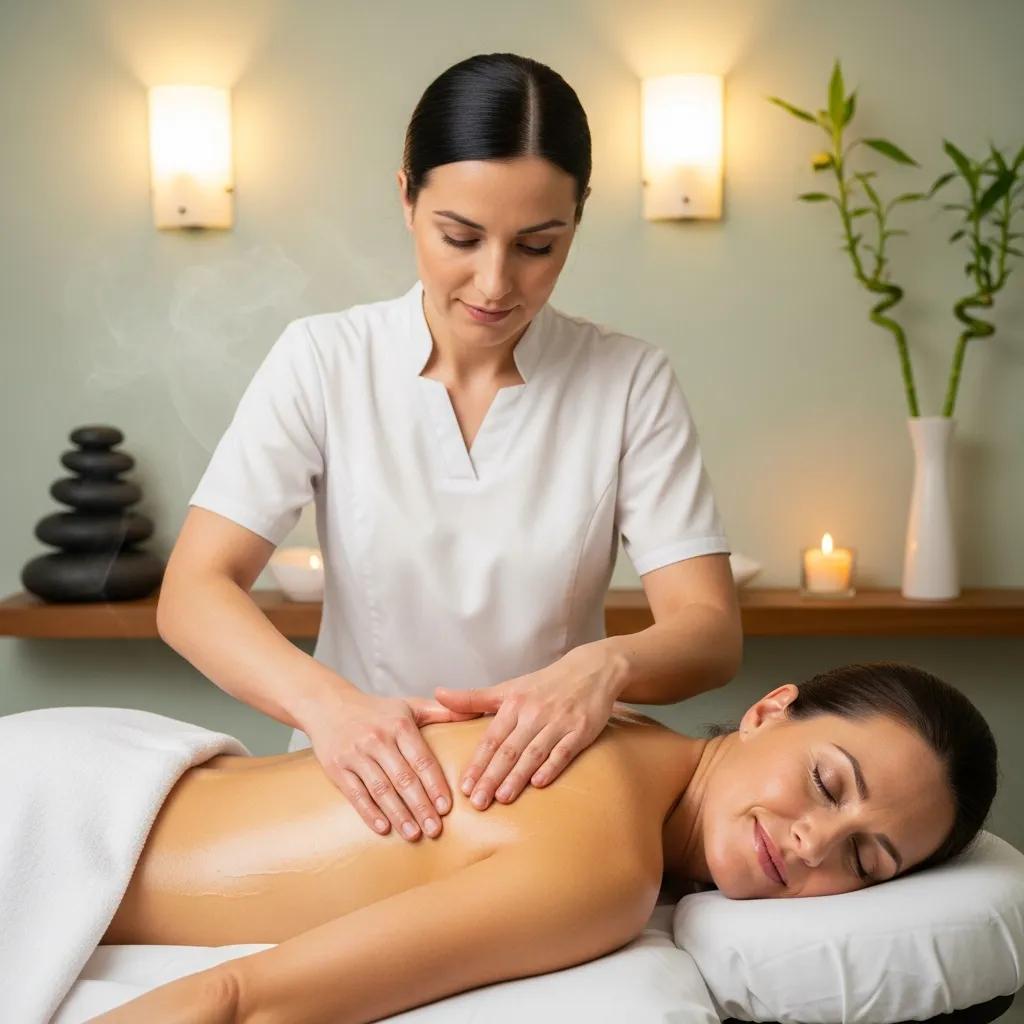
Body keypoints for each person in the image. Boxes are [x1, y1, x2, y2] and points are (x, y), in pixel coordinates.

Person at [158, 51, 742, 849]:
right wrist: (330, 708)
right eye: (460, 237)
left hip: (546, 798)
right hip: (351, 787)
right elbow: (193, 592)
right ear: (407, 197)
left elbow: (709, 629)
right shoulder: (326, 359)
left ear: (579, 216)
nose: (495, 284)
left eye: (538, 245)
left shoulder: (628, 379)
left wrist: (600, 669)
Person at [91, 662, 998, 1024]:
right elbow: (238, 1003)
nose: (813, 844)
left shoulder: (616, 728)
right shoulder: (607, 874)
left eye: (866, 860)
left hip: (98, 757)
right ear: (768, 711)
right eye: (829, 784)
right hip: (66, 828)